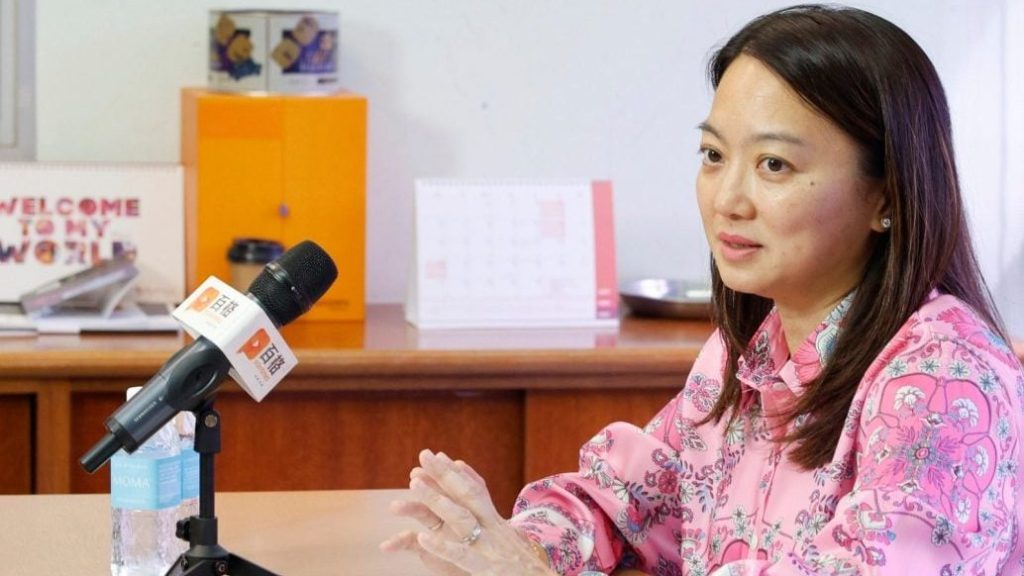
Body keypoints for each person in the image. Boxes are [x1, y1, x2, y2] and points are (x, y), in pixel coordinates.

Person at [380, 4, 1024, 575]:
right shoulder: (745, 351)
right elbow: (630, 501)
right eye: (715, 156)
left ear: (886, 196)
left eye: (774, 164)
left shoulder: (945, 377)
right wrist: (514, 545)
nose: (728, 199)